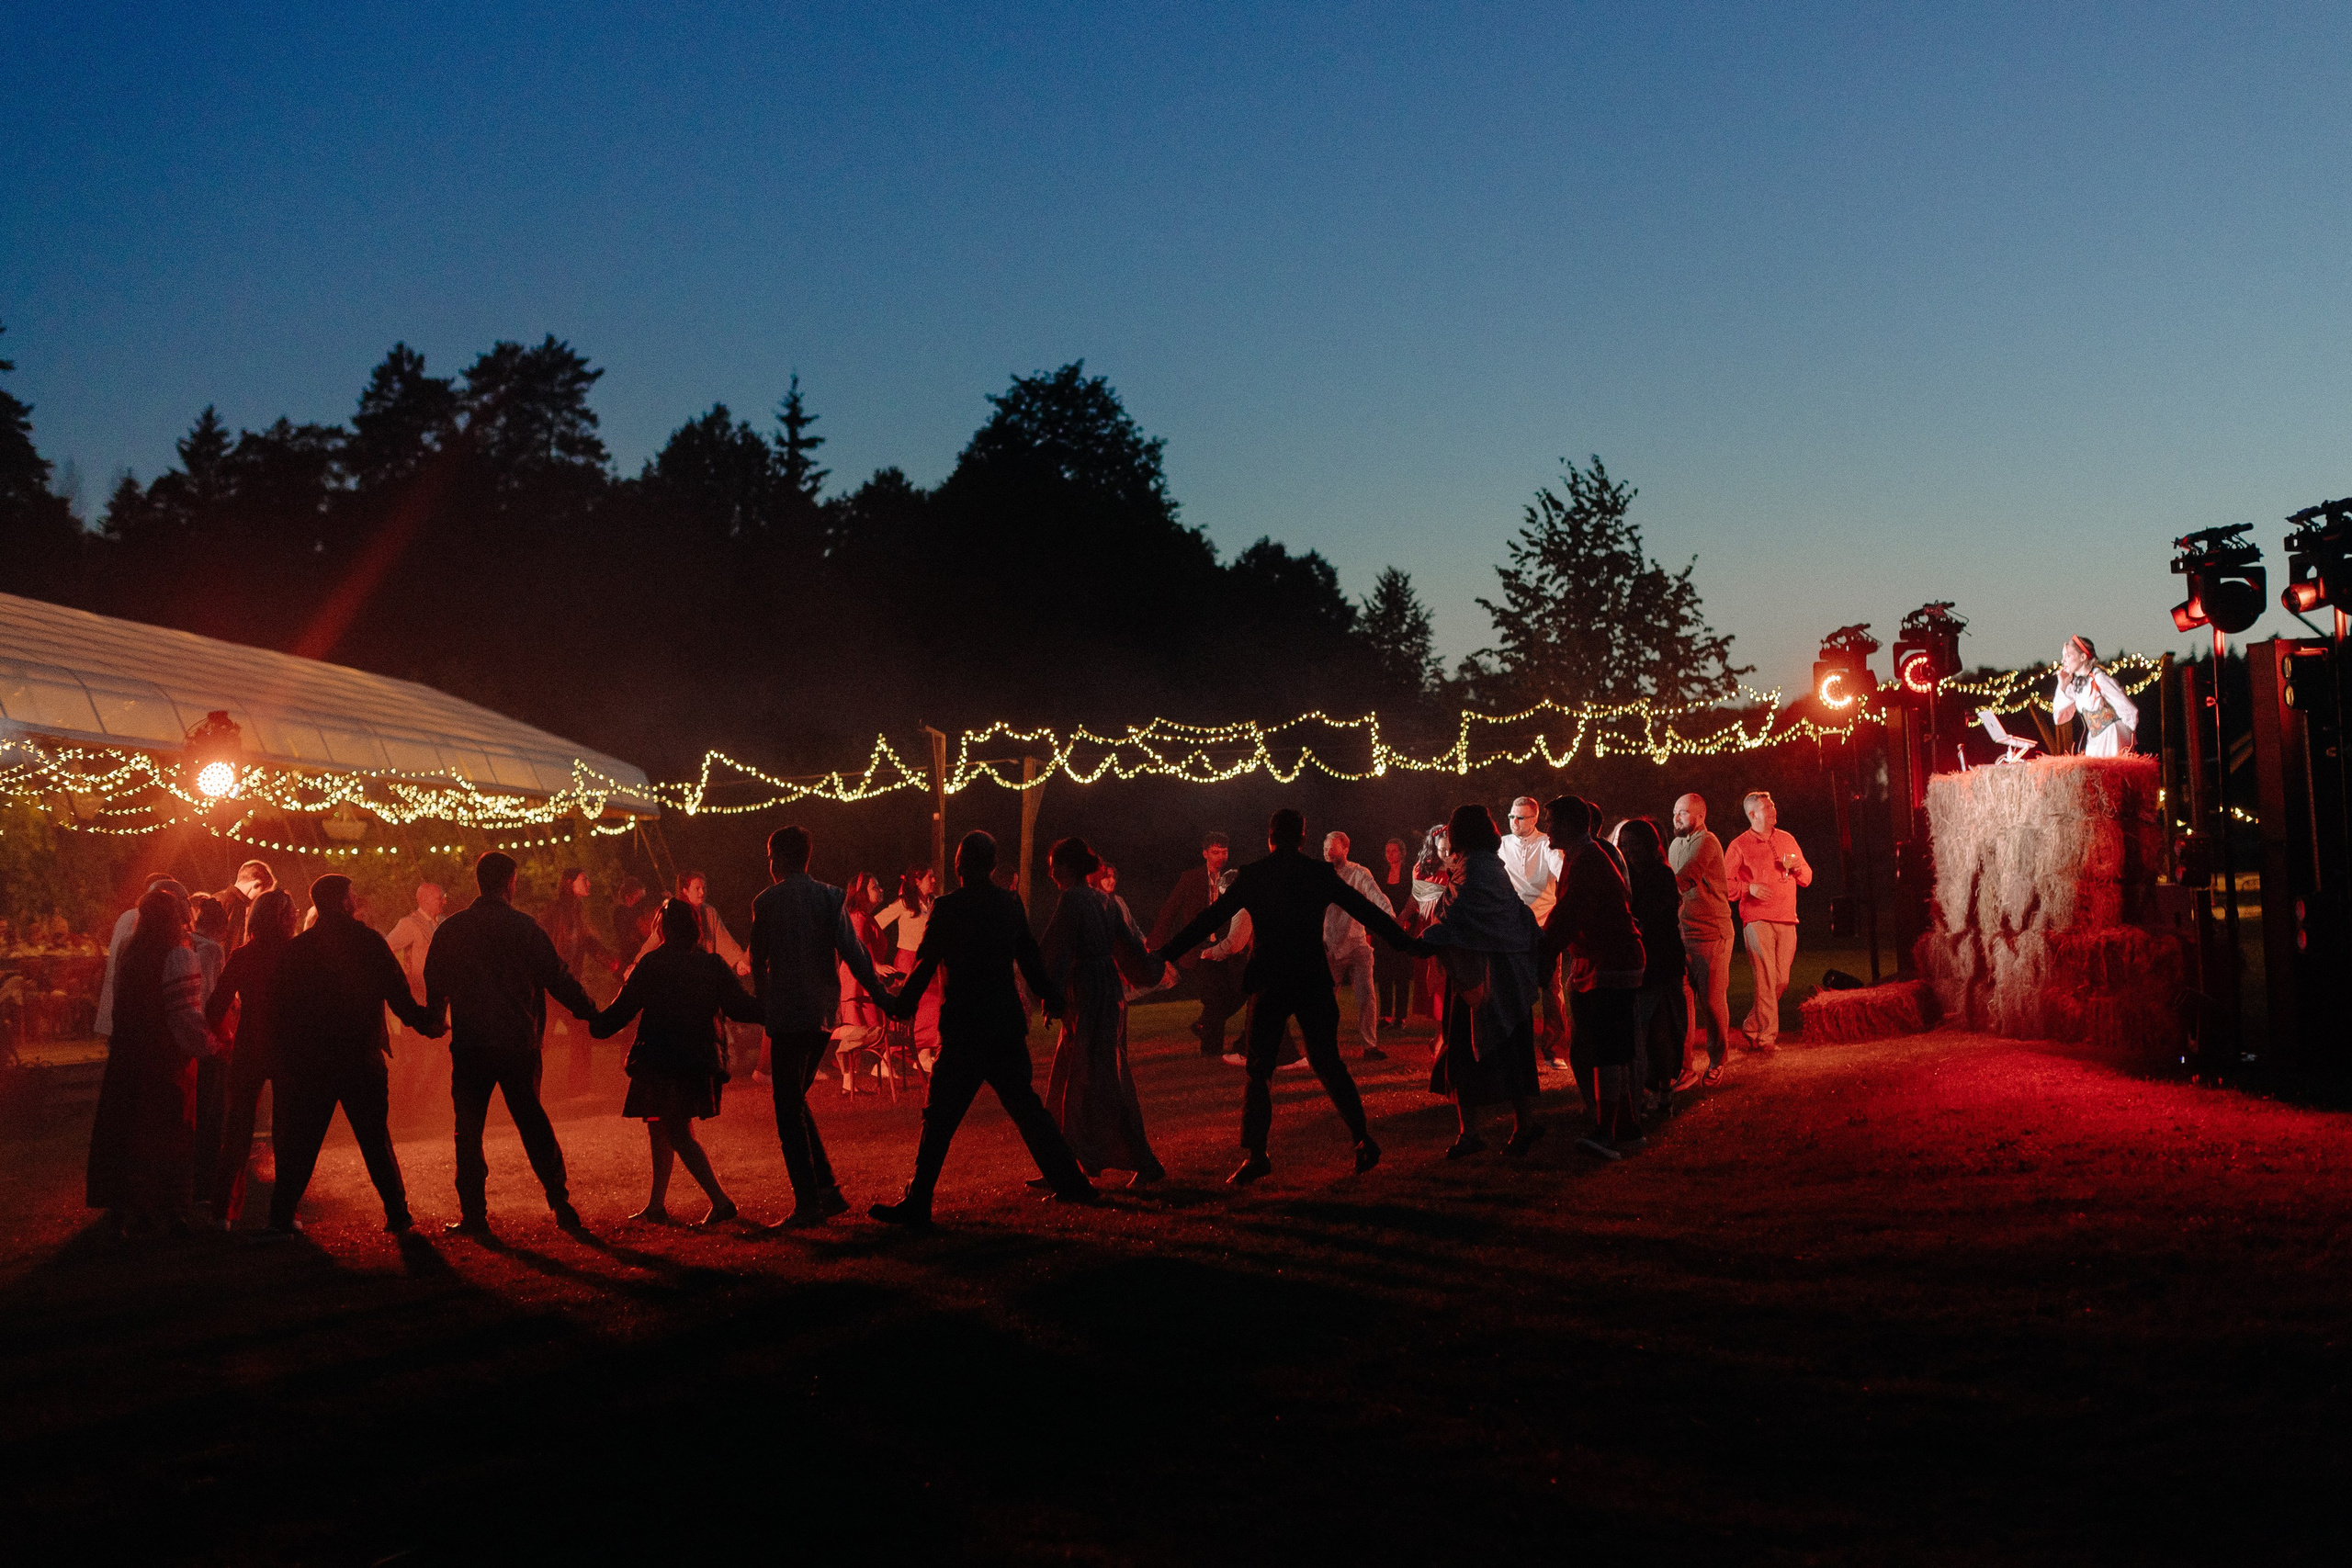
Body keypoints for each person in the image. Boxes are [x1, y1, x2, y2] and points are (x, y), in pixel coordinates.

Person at [1152, 808, 1428, 1186]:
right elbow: (1365, 910)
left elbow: (1207, 920)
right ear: (1302, 837)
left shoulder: (1255, 874)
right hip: (1312, 976)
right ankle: (1363, 1139)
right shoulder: (1318, 873)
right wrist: (1406, 943)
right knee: (1328, 1061)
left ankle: (1257, 1154)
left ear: (1270, 838)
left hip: (1270, 979)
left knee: (1259, 1068)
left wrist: (1164, 952)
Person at [870, 831, 1096, 1226]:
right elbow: (1028, 957)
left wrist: (901, 1005)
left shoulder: (948, 907)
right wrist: (1051, 996)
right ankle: (1073, 1184)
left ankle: (919, 1202)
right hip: (1003, 1024)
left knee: (939, 1117)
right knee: (1027, 1110)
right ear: (992, 867)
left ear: (960, 866)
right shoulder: (1007, 904)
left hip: (963, 1027)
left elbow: (925, 964)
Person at [423, 852, 601, 1235]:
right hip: (517, 1041)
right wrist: (592, 1012)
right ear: (510, 883)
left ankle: (474, 1215)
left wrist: (436, 1017)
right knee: (532, 1121)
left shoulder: (452, 929)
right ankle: (559, 1201)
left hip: (472, 1045)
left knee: (468, 1130)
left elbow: (434, 977)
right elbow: (558, 978)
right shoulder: (524, 928)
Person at [267, 875, 440, 1235]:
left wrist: (290, 1056)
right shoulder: (367, 942)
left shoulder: (299, 949)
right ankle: (397, 1213)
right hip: (360, 1058)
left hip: (315, 1062)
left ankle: (281, 1216)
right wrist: (427, 1022)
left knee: (303, 1140)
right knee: (375, 1139)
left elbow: (281, 1009)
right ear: (343, 902)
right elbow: (399, 996)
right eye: (351, 895)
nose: (356, 899)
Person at [746, 826, 900, 1226]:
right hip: (820, 1015)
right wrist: (883, 998)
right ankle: (826, 1192)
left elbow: (759, 962)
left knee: (787, 1106)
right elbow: (854, 953)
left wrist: (762, 1005)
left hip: (786, 1012)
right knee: (794, 1100)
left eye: (769, 857)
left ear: (777, 860)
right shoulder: (830, 897)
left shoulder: (766, 901)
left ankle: (809, 1204)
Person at [590, 897, 763, 1226]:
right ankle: (656, 1206)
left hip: (663, 1060)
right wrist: (772, 1008)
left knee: (677, 1132)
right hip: (697, 1058)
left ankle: (721, 1202)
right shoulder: (711, 965)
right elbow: (740, 1007)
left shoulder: (653, 964)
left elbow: (622, 1010)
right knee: (660, 1127)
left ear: (663, 929)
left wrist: (594, 1022)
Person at [85, 885, 217, 1236]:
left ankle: (132, 1207)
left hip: (129, 1054)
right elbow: (183, 1014)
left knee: (130, 1130)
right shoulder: (177, 955)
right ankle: (169, 1210)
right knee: (167, 1132)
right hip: (163, 1059)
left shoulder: (130, 949)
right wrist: (209, 1044)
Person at [1040, 837, 1168, 1189]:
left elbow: (1056, 952)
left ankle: (1132, 1161)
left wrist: (1051, 997)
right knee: (1074, 1078)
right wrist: (1151, 967)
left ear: (1065, 868)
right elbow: (1130, 953)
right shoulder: (1105, 902)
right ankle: (1063, 1163)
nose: (1050, 873)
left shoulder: (1073, 901)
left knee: (1094, 1081)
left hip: (1086, 996)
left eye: (1054, 865)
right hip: (1106, 994)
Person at [1419, 805, 1544, 1158]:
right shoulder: (1490, 866)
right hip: (1504, 972)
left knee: (1463, 1049)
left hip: (1480, 974)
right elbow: (1506, 912)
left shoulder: (1474, 868)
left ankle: (1473, 1132)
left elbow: (1459, 913)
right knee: (1510, 1048)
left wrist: (1433, 929)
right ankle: (1520, 1124)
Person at [1540, 796, 1646, 1158]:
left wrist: (1540, 950)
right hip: (1602, 959)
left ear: (1569, 825)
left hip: (1610, 960)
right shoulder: (1581, 855)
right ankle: (1626, 1128)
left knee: (1606, 1050)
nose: (1546, 828)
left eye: (1551, 821)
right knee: (1605, 1048)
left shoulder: (1586, 859)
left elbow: (1567, 913)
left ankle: (1607, 1132)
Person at [203, 888, 296, 1227]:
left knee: (237, 1133)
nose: (297, 917)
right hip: (287, 1049)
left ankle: (223, 1213)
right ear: (282, 917)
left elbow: (215, 1008)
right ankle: (286, 1213)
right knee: (287, 1134)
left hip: (250, 1046)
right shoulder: (295, 953)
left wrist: (227, 1041)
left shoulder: (244, 954)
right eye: (292, 913)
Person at [1722, 791, 1812, 1053]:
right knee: (1765, 977)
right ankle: (1767, 1038)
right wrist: (1749, 888)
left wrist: (1796, 869)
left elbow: (1807, 876)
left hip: (1787, 916)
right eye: (1767, 808)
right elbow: (1724, 885)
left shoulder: (1787, 839)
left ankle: (1751, 1025)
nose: (1773, 811)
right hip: (1756, 918)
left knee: (1781, 980)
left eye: (1773, 806)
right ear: (1752, 814)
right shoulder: (1738, 845)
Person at [1615, 818, 1688, 1115]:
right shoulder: (1625, 875)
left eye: (1635, 844)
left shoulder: (1661, 875)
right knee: (1639, 1032)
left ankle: (1663, 1091)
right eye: (1625, 844)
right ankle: (1642, 1093)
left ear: (1649, 845)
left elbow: (1657, 916)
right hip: (1637, 962)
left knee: (1660, 1029)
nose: (1629, 850)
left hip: (1661, 961)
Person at [1148, 831, 1243, 1057]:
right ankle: (1211, 1051)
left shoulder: (1232, 878)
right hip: (1197, 950)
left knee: (1240, 991)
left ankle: (1203, 1025)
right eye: (1215, 852)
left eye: (1224, 852)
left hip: (1226, 948)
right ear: (1205, 854)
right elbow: (1169, 909)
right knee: (1214, 997)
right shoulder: (1190, 878)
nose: (1221, 856)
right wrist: (1155, 944)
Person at [1500, 796, 1570, 1073]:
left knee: (1551, 987)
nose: (1515, 822)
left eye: (1520, 818)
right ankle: (1516, 1050)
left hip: (1543, 924)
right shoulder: (1502, 845)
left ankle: (1553, 1050)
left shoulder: (1547, 845)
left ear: (1534, 819)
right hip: (1513, 925)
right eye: (1511, 817)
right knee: (1513, 989)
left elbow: (1563, 870)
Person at [1668, 794, 1734, 1088]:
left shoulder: (1708, 842)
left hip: (1711, 934)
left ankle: (1718, 1060)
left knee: (1711, 1002)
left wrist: (1652, 889)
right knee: (1681, 1005)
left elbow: (1687, 878)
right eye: (1674, 813)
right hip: (1682, 935)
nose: (1677, 818)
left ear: (1701, 816)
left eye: (1683, 813)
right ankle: (1684, 1067)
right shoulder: (1674, 844)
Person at [542, 868, 617, 1098]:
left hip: (567, 984)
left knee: (580, 1029)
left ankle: (579, 1087)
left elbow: (587, 943)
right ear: (569, 883)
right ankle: (526, 1088)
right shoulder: (555, 911)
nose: (589, 883)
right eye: (584, 879)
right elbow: (539, 939)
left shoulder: (577, 912)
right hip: (552, 985)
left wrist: (615, 965)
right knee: (542, 1037)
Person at [1320, 831, 1393, 1062]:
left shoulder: (1358, 873)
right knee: (1327, 1000)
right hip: (1330, 946)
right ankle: (1326, 1048)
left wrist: (1389, 917)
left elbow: (1375, 894)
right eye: (1325, 849)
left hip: (1357, 944)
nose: (1328, 853)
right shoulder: (1320, 876)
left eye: (1333, 848)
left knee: (1366, 996)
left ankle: (1370, 1046)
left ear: (1346, 849)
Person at [830, 871, 894, 1093]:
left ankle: (849, 1083)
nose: (881, 890)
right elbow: (858, 949)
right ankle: (822, 1032)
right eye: (875, 887)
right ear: (862, 892)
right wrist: (876, 966)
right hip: (856, 980)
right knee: (858, 1030)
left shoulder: (866, 917)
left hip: (865, 979)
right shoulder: (857, 917)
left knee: (865, 1031)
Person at [875, 866, 944, 1068]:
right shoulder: (903, 904)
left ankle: (920, 1055)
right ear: (917, 880)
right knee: (914, 1008)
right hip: (908, 961)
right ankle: (903, 1057)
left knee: (932, 1007)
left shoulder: (934, 903)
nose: (933, 880)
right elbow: (875, 923)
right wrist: (876, 953)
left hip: (927, 961)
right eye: (929, 877)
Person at [187, 893, 231, 1208]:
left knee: (190, 1111)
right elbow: (213, 997)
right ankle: (206, 1180)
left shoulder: (183, 943)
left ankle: (187, 1178)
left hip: (184, 1035)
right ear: (223, 927)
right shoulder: (212, 949)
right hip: (207, 1036)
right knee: (211, 1112)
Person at [2052, 636, 2139, 757]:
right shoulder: (2077, 685)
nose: (2063, 661)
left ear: (2083, 657)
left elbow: (2128, 709)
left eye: (2068, 656)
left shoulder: (2099, 678)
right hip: (2095, 740)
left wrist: (2128, 740)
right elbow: (2059, 717)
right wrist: (2062, 685)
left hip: (2111, 737)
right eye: (2063, 656)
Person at [1374, 837, 1418, 1030]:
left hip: (1404, 926)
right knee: (1384, 972)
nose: (1390, 854)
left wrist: (1402, 919)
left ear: (1402, 852)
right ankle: (1384, 1016)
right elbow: (1376, 896)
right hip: (1384, 927)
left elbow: (1415, 896)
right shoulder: (1381, 873)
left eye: (1394, 851)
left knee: (1401, 973)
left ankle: (1400, 1017)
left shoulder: (1410, 873)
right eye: (1387, 851)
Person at [209, 859, 276, 954]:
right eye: (263, 894)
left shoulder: (233, 903)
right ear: (256, 885)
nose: (262, 900)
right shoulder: (224, 902)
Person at [606, 875, 654, 961]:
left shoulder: (642, 911)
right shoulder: (621, 915)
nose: (642, 902)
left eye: (643, 898)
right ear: (628, 898)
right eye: (639, 898)